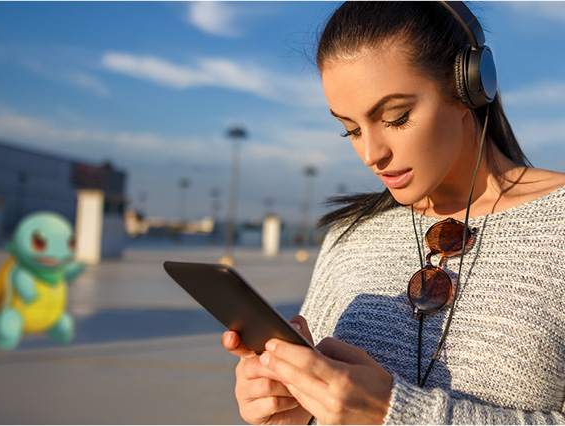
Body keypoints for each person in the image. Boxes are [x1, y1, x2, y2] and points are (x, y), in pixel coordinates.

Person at [222, 2, 565, 424]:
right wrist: (294, 409)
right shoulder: (351, 235)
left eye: (396, 117)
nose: (371, 153)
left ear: (468, 87)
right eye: (350, 128)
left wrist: (393, 412)